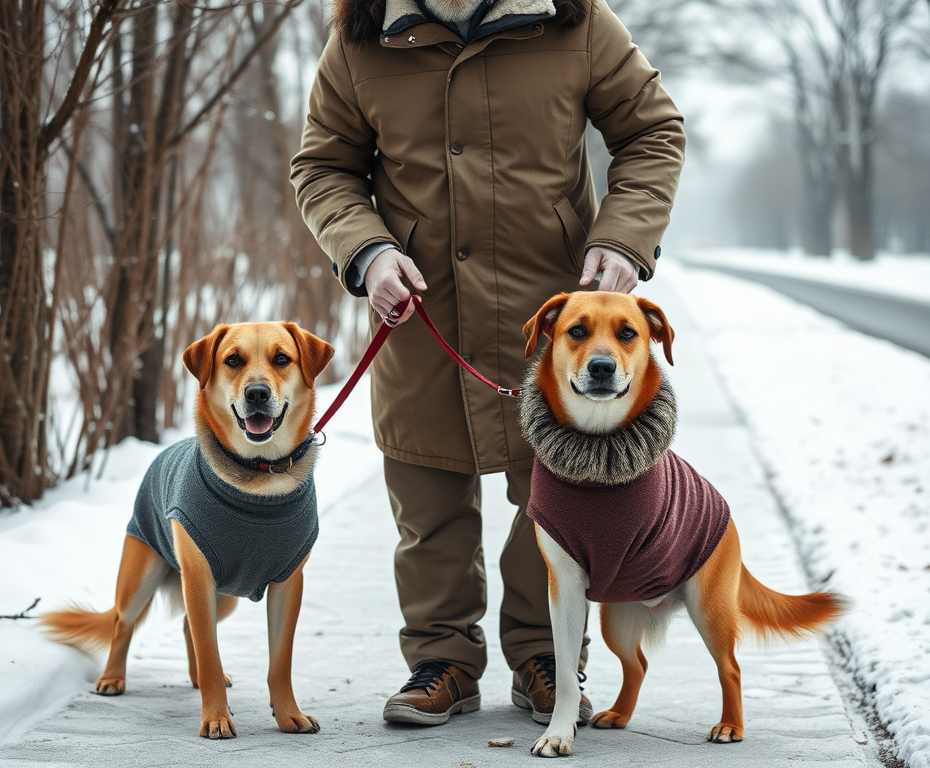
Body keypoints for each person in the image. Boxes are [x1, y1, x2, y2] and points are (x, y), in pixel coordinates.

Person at [290, 0, 685, 726]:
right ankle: (441, 661)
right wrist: (367, 251)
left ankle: (546, 656)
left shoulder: (576, 22)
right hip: (421, 315)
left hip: (555, 324)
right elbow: (324, 167)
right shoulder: (363, 37)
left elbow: (652, 132)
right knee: (427, 503)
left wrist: (624, 236)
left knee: (557, 501)